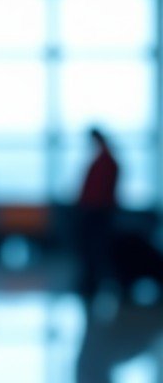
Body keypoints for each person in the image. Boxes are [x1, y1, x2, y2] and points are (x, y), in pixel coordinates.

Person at [76, 127, 120, 298]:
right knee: (94, 248)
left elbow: (98, 191)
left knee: (94, 248)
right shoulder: (105, 159)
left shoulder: (105, 161)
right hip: (98, 210)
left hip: (97, 211)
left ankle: (93, 282)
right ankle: (92, 281)